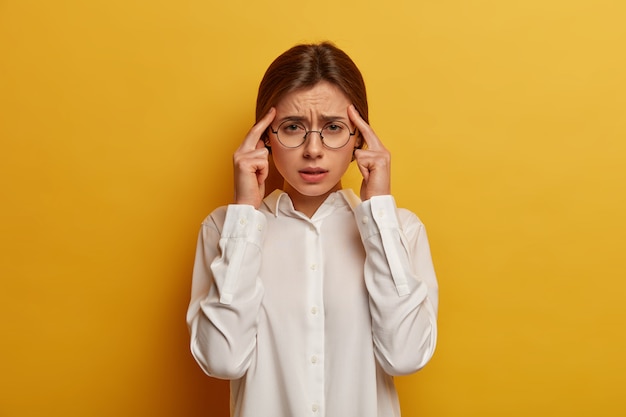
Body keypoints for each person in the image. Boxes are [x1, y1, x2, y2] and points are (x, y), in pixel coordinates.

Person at [186, 42, 439, 417]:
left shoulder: (401, 229)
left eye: (334, 128)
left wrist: (378, 215)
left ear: (360, 139)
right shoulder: (224, 229)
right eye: (293, 127)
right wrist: (244, 217)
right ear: (264, 139)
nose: (313, 149)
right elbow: (222, 360)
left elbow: (405, 356)